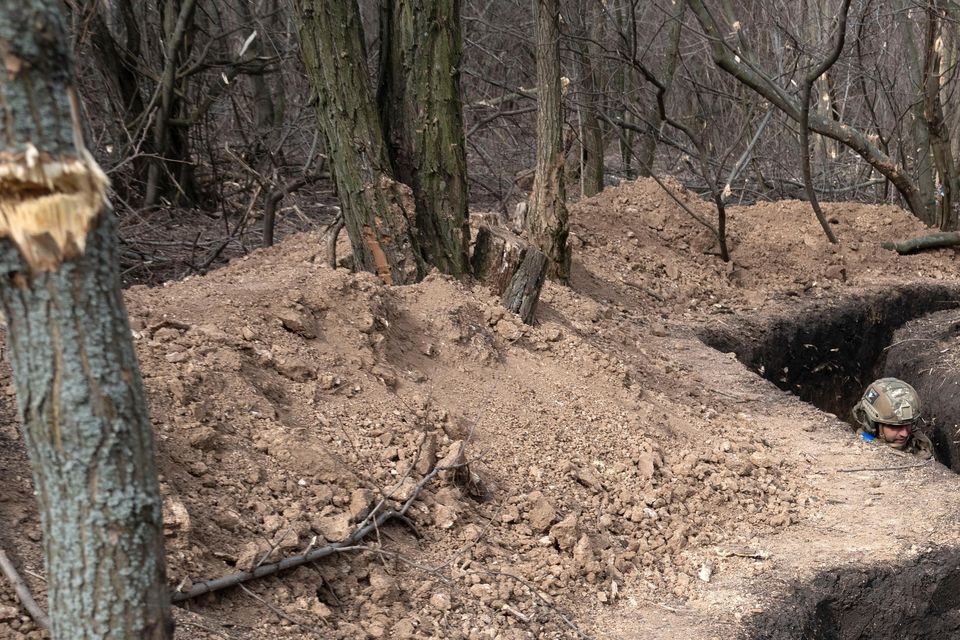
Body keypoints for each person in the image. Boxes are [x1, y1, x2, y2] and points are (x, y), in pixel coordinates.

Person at [851, 377, 933, 459]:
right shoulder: (861, 452)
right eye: (895, 427)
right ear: (872, 423)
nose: (904, 434)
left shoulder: (921, 443)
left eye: (909, 424)